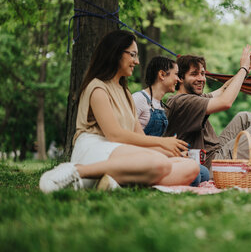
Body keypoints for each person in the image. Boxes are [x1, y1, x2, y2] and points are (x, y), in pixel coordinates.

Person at [39, 31, 200, 193]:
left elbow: (140, 139)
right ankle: (75, 171)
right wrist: (162, 143)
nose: (136, 61)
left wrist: (170, 151)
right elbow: (114, 135)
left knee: (191, 167)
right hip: (94, 149)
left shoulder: (126, 94)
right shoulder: (97, 87)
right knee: (160, 163)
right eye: (133, 55)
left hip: (120, 152)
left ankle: (113, 182)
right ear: (116, 53)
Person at [164, 45, 251, 171]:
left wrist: (244, 72)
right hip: (210, 165)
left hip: (215, 151)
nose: (201, 79)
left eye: (203, 73)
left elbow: (223, 89)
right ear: (180, 78)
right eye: (194, 74)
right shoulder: (183, 102)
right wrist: (242, 68)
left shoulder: (192, 98)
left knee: (246, 117)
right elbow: (225, 102)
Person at [132, 56, 210, 185]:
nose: (178, 79)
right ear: (162, 75)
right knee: (195, 176)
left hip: (157, 154)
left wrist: (175, 153)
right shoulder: (139, 99)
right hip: (142, 156)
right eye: (176, 75)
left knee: (203, 172)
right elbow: (134, 140)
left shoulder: (160, 104)